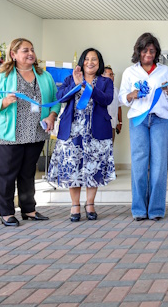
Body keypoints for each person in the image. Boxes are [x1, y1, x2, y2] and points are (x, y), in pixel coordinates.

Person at [0, 38, 60, 226]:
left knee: (28, 174)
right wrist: (4, 102)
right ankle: (6, 213)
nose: (30, 53)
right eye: (25, 50)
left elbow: (55, 100)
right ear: (13, 54)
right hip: (10, 134)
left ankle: (29, 210)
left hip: (36, 133)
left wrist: (52, 116)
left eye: (32, 50)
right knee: (6, 175)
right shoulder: (3, 76)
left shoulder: (44, 76)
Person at [47, 48, 116, 222]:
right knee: (73, 168)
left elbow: (106, 99)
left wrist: (87, 87)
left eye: (94, 59)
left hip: (96, 131)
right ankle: (75, 205)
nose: (90, 62)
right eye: (87, 59)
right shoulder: (71, 78)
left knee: (94, 168)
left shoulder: (105, 81)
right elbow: (60, 97)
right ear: (82, 62)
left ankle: (90, 204)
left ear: (99, 63)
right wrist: (76, 84)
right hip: (72, 130)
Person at [119, 33, 168, 221]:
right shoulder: (130, 72)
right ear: (138, 51)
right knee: (139, 163)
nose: (148, 54)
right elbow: (121, 97)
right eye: (145, 50)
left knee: (159, 164)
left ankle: (156, 209)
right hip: (138, 120)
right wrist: (132, 95)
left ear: (156, 52)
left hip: (160, 119)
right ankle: (139, 209)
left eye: (152, 51)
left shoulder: (164, 71)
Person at [103, 66, 122, 143]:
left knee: (110, 147)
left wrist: (120, 122)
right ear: (103, 76)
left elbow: (119, 107)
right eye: (110, 74)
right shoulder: (98, 89)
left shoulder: (116, 90)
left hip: (112, 125)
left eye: (113, 74)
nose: (112, 77)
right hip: (101, 124)